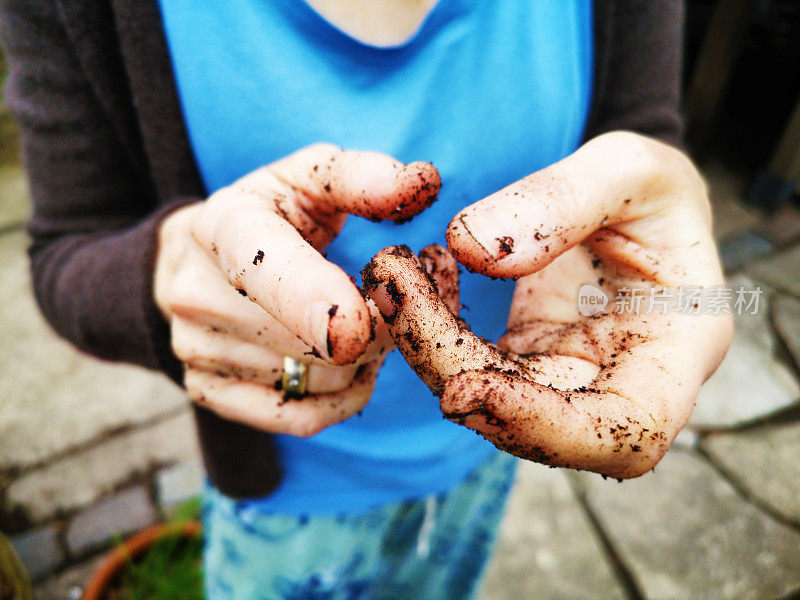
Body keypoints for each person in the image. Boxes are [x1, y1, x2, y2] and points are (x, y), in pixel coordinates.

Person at [1, 0, 732, 598]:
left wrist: (667, 231)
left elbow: (641, 131)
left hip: (498, 441)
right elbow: (66, 249)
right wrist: (162, 276)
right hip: (287, 483)